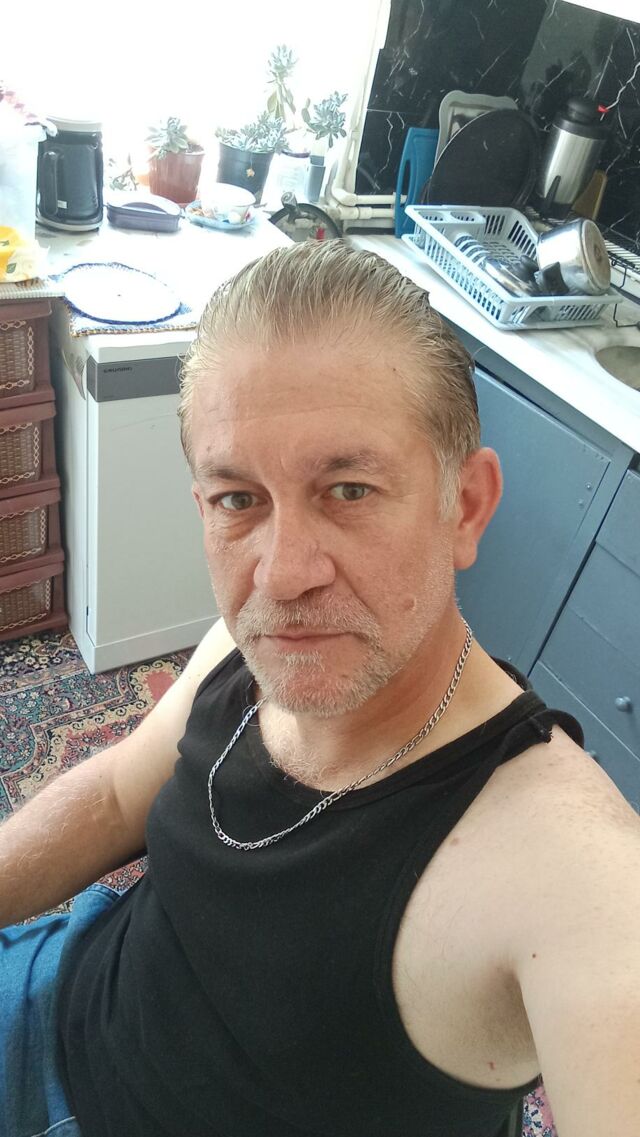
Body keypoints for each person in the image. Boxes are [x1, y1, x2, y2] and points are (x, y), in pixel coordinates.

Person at [1, 241, 638, 1137]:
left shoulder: (569, 868)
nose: (283, 574)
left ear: (464, 506)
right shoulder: (238, 647)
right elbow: (112, 795)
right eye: (239, 499)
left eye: (348, 488)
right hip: (64, 977)